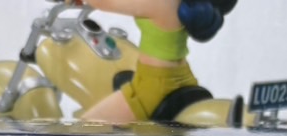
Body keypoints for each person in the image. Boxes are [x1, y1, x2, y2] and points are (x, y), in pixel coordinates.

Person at [82, 0, 237, 122]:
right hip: (182, 77)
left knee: (83, 131)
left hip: (152, 88)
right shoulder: (181, 3)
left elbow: (103, 2)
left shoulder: (160, 2)